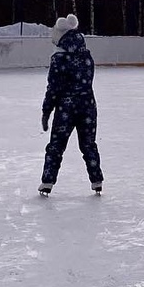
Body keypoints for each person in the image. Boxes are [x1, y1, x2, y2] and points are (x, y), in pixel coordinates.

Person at [41, 14, 103, 195]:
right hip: (88, 105)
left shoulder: (58, 58)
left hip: (66, 108)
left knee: (56, 146)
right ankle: (97, 180)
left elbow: (53, 88)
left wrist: (46, 111)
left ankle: (47, 182)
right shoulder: (87, 56)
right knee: (89, 144)